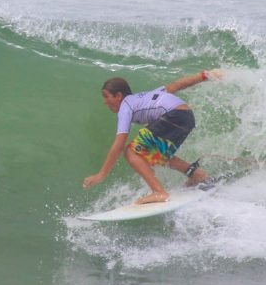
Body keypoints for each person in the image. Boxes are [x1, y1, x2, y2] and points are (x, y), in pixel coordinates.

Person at [82, 69, 223, 204]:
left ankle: (159, 192)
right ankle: (197, 175)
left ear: (118, 96)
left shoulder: (125, 107)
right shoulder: (145, 96)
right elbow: (178, 85)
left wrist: (101, 174)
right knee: (154, 154)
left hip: (173, 115)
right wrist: (204, 75)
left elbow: (119, 145)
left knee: (131, 152)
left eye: (106, 96)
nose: (104, 101)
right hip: (187, 117)